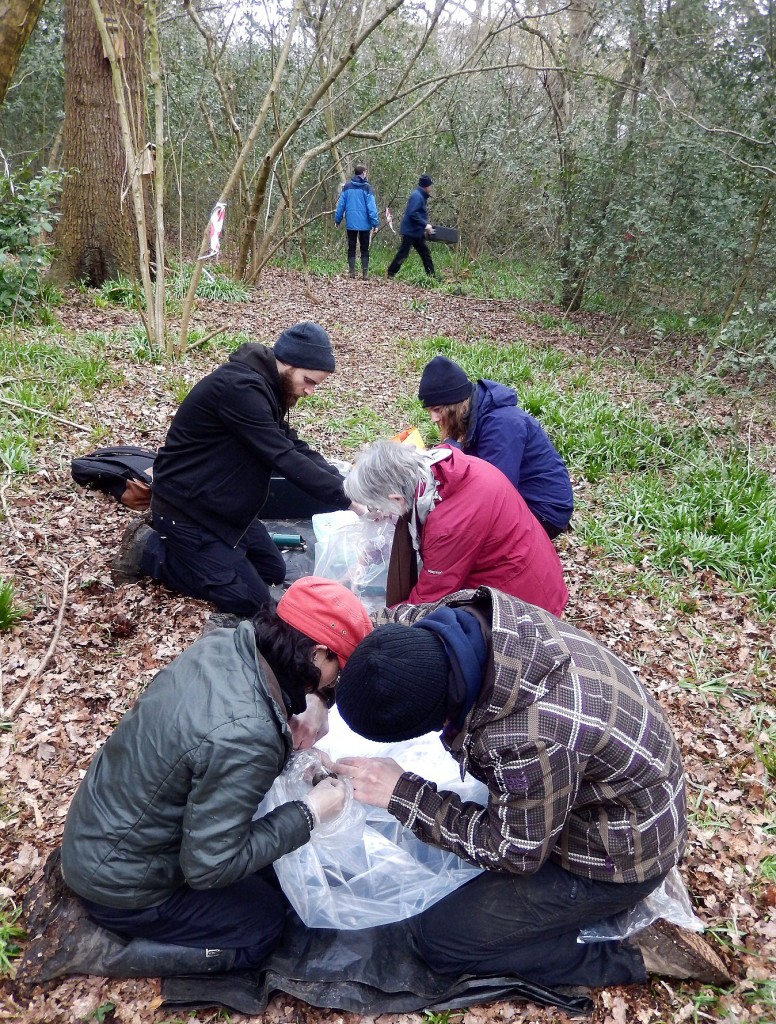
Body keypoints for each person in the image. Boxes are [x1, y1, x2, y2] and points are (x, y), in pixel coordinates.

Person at [334, 586, 731, 993]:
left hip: (617, 853)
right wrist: (315, 691)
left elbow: (515, 851)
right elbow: (387, 635)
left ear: (437, 718)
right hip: (617, 788)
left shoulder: (528, 740)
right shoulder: (457, 620)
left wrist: (402, 793)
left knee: (441, 940)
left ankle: (627, 949)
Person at [19, 577, 373, 984]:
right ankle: (115, 952)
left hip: (99, 833)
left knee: (270, 873)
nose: (334, 683)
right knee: (262, 925)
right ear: (318, 653)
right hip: (120, 885)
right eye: (338, 669)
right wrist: (310, 813)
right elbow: (209, 867)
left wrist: (302, 735)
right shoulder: (250, 733)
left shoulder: (227, 644)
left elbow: (220, 745)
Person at [111, 322, 364, 615]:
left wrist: (350, 485)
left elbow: (295, 446)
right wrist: (347, 501)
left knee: (273, 570)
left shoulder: (267, 388)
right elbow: (283, 457)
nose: (310, 391)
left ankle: (214, 558)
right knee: (251, 601)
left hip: (225, 509)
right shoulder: (240, 389)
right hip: (187, 509)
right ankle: (148, 549)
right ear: (289, 364)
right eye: (309, 381)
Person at [343, 440, 568, 615]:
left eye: (376, 507)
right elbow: (399, 522)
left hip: (523, 599)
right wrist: (365, 559)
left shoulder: (450, 523)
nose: (378, 515)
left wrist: (376, 622)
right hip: (527, 562)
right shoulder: (435, 467)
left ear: (396, 498)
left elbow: (430, 600)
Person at [418, 355, 574, 538]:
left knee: (465, 533)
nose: (434, 418)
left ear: (455, 403)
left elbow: (494, 492)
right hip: (522, 498)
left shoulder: (502, 425)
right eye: (430, 411)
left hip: (544, 511)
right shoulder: (472, 416)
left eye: (437, 410)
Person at [334, 164, 379, 279]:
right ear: (363, 173)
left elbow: (341, 205)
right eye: (365, 172)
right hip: (365, 225)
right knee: (364, 248)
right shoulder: (367, 188)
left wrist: (337, 219)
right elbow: (372, 208)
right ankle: (365, 274)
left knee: (351, 247)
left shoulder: (347, 187)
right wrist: (375, 223)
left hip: (351, 224)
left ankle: (352, 272)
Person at [387, 174, 435, 279]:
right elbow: (413, 213)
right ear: (426, 186)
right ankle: (391, 272)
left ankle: (432, 276)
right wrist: (425, 224)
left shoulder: (420, 195)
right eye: (430, 185)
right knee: (403, 254)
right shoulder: (417, 196)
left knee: (425, 254)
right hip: (410, 231)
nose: (431, 187)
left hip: (416, 231)